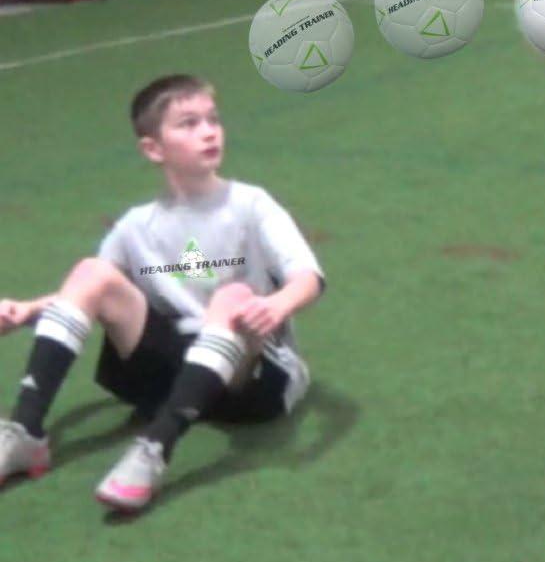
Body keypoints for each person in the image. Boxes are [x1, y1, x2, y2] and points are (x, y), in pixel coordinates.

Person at [0, 74, 324, 512]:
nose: (209, 131)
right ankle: (25, 434)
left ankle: (153, 448)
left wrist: (278, 303)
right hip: (174, 374)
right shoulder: (136, 225)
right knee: (91, 271)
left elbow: (307, 276)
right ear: (153, 149)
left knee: (232, 298)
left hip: (251, 379)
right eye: (188, 124)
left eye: (213, 120)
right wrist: (28, 310)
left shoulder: (251, 204)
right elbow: (88, 296)